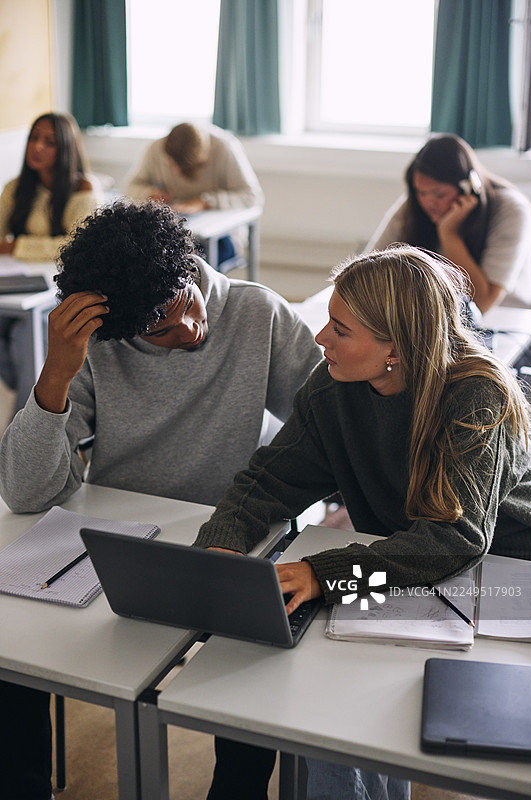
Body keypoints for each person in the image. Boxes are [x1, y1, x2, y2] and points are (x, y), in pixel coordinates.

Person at [0, 200, 321, 800]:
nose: (191, 331)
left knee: (254, 655)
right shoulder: (100, 345)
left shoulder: (256, 314)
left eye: (187, 304)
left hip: (230, 534)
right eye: (161, 330)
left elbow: (332, 422)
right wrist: (56, 375)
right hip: (121, 538)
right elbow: (26, 493)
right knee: (8, 648)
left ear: (187, 268)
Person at [194, 245, 531, 799]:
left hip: (503, 580)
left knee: (350, 702)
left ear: (394, 348)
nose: (320, 338)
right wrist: (223, 548)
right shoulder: (334, 389)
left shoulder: (477, 397)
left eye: (340, 329)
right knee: (318, 693)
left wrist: (326, 572)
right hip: (405, 565)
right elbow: (266, 483)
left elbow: (456, 539)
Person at [0, 111, 102, 414]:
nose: (38, 147)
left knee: (23, 337)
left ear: (66, 148)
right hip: (19, 289)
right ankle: (26, 399)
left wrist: (18, 245)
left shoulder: (83, 189)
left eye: (50, 142)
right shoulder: (16, 188)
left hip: (61, 293)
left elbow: (76, 247)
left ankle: (23, 431)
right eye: (34, 138)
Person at [366, 134, 531, 313]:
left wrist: (449, 235)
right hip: (438, 319)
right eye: (421, 192)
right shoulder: (414, 204)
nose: (429, 203)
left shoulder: (512, 210)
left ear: (469, 188)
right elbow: (368, 271)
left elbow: (481, 304)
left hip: (508, 321)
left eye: (439, 194)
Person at [125, 121, 264, 263]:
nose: (176, 172)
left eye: (183, 167)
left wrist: (206, 202)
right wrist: (151, 194)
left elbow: (251, 196)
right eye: (172, 164)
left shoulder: (224, 148)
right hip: (170, 232)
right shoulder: (156, 149)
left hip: (221, 236)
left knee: (190, 261)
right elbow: (132, 187)